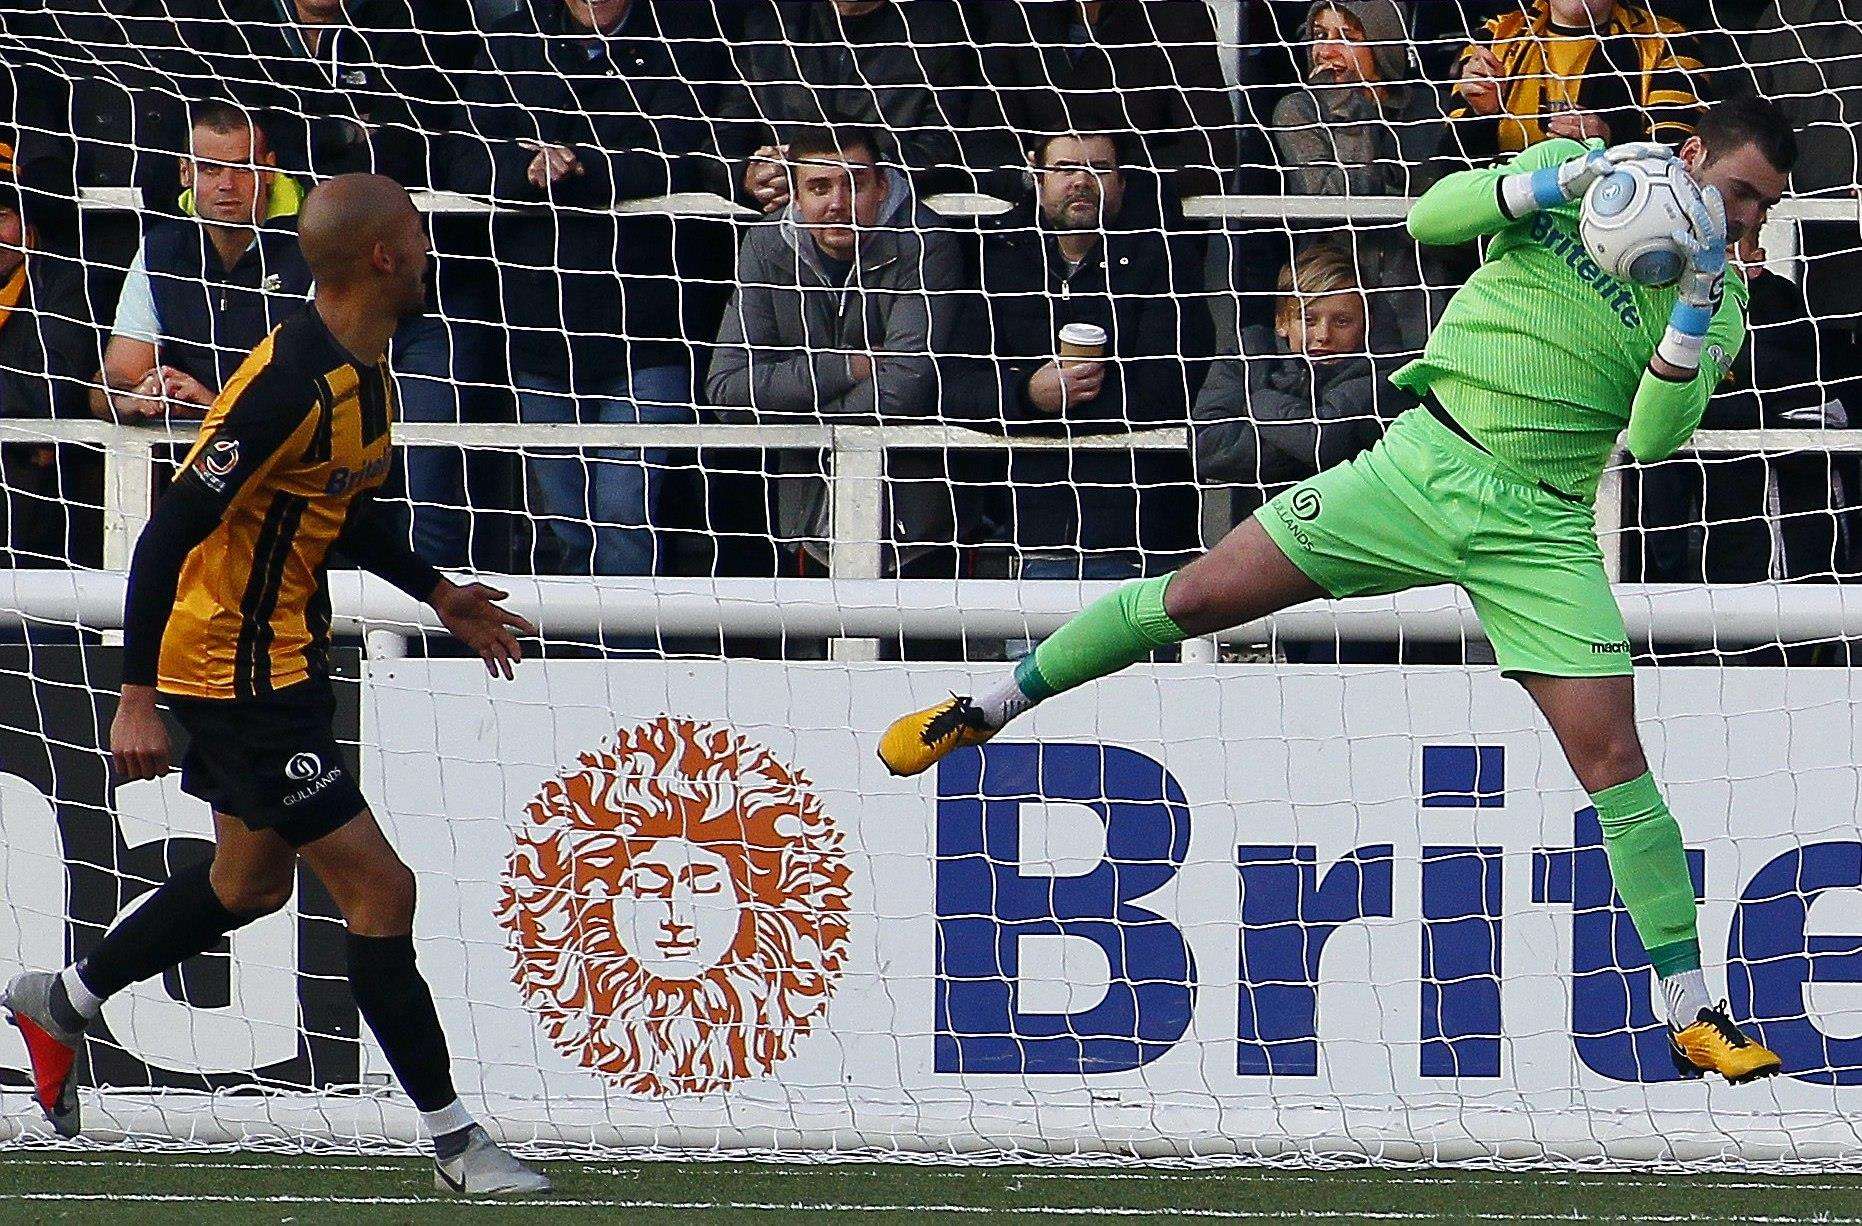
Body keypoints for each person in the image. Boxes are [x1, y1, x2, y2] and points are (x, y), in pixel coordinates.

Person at [879, 97, 1799, 1085]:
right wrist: (1552, 177)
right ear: (1692, 155)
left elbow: (1655, 438)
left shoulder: (1723, 295)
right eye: (1741, 194)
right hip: (1417, 464)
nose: (1747, 221)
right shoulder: (1575, 180)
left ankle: (1690, 1011)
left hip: (1540, 525)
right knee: (1192, 598)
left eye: (1763, 209)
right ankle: (983, 706)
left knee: (1613, 757)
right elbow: (1427, 220)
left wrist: (1702, 288)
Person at [3, 174, 549, 1197]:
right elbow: (170, 529)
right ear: (384, 257)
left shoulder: (366, 371)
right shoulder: (287, 383)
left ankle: (62, 998)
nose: (432, 251)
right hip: (231, 669)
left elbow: (337, 505)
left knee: (249, 883)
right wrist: (134, 692)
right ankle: (455, 1141)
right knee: (382, 886)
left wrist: (439, 592)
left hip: (284, 659)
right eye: (421, 237)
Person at [450, 0, 734, 576]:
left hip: (650, 328)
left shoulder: (681, 40)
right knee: (569, 529)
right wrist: (526, 172)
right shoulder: (511, 45)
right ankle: (583, 661)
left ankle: (632, 663)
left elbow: (687, 153)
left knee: (628, 520)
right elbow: (462, 158)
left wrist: (581, 169)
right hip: (540, 330)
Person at [946, 130, 1213, 579]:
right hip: (1024, 532)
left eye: (1098, 168)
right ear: (1038, 177)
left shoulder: (1166, 260)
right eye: (1065, 168)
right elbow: (956, 384)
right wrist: (1029, 393)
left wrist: (1068, 398)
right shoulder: (995, 259)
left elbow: (1174, 386)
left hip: (1144, 534)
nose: (1081, 180)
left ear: (1123, 183)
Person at [706, 126, 972, 573]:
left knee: (925, 641)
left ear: (882, 186)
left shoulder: (927, 242)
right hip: (805, 516)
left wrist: (788, 393)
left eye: (855, 183)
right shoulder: (766, 243)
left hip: (920, 515)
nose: (837, 202)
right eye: (819, 187)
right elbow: (728, 390)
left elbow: (902, 394)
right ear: (794, 196)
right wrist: (848, 367)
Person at [91, 101, 310, 424]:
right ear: (185, 172)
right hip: (188, 461)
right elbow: (110, 382)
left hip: (290, 463)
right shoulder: (160, 251)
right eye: (210, 168)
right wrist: (136, 398)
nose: (227, 184)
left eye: (242, 168)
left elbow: (317, 400)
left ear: (269, 170)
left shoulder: (311, 250)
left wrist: (211, 405)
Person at [1271, 0, 1453, 355]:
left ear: (1380, 44)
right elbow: (1341, 206)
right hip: (1333, 304)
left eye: (1346, 37)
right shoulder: (1298, 110)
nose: (1325, 51)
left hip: (1420, 295)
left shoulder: (1434, 110)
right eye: (1319, 36)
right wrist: (1343, 108)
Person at [722, 0, 1016, 212]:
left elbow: (945, 153)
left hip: (896, 230)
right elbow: (717, 142)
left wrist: (839, 174)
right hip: (782, 228)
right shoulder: (769, 26)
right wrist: (749, 175)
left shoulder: (941, 31)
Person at [1193, 244, 1406, 520]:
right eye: (1308, 319)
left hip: (1352, 527)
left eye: (1342, 321)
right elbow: (1206, 446)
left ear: (1366, 323)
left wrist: (1260, 403)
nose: (1323, 335)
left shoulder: (1383, 368)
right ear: (1282, 322)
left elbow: (1323, 443)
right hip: (1260, 529)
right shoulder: (1249, 351)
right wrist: (1313, 446)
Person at [977, 0, 1238, 198]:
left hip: (1145, 237)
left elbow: (1212, 157)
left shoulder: (1175, 20)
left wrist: (1106, 171)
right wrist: (1038, 176)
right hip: (1033, 236)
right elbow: (982, 149)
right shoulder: (1016, 21)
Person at [1449, 0, 1708, 163]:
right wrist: (1482, 114)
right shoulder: (1495, 36)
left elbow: (1676, 161)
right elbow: (1448, 166)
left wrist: (1610, 142)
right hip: (1502, 222)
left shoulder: (1668, 41)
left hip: (1610, 222)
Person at [0, 144, 98, 567]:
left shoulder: (61, 283)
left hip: (35, 516)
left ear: (26, 220)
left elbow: (48, 395)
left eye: (0, 217)